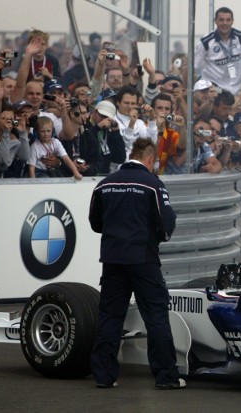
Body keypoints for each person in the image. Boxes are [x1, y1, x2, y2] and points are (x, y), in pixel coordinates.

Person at [88, 137, 185, 390]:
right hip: (143, 259)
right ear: (150, 159)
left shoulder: (104, 184)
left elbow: (95, 222)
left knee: (110, 316)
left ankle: (104, 376)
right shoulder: (153, 184)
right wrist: (156, 238)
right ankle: (166, 377)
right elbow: (167, 224)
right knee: (156, 316)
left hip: (112, 258)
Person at [194, 6, 241, 96]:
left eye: (228, 20)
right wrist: (188, 91)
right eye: (221, 20)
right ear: (215, 21)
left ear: (232, 21)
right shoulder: (205, 41)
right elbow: (192, 67)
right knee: (223, 101)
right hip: (214, 90)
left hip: (234, 91)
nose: (225, 23)